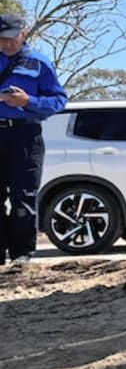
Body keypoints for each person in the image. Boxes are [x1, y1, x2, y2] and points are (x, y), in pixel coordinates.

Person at [0, 13, 68, 269]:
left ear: (23, 34)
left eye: (11, 39)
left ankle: (22, 256)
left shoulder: (39, 63)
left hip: (25, 135)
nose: (6, 45)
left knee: (23, 197)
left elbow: (59, 101)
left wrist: (28, 102)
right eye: (1, 40)